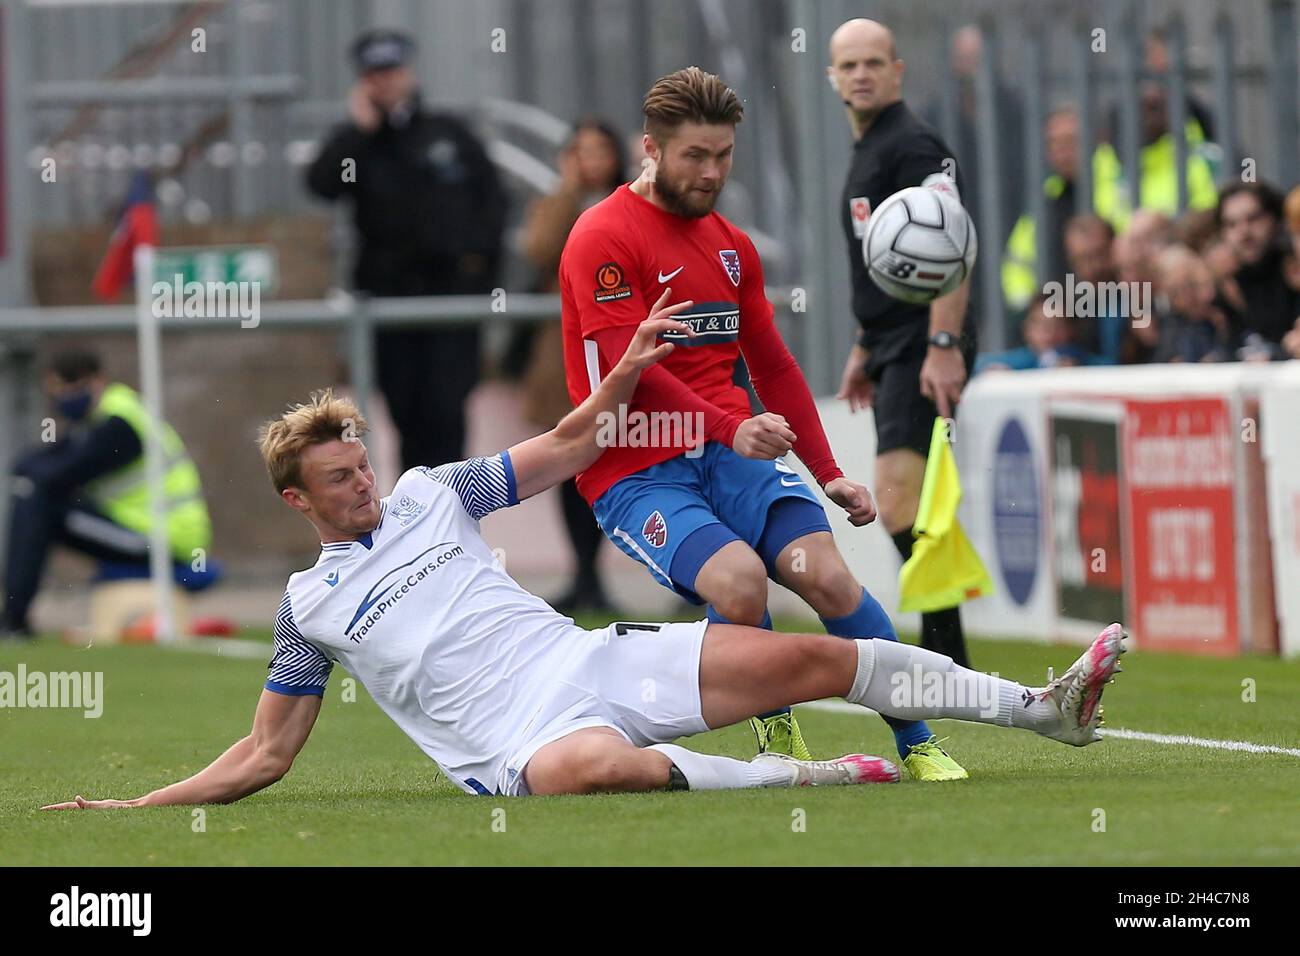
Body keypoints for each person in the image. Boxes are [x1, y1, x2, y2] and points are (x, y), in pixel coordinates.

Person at [39, 311, 1128, 807]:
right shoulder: (303, 609)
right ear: (297, 499)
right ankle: (814, 774)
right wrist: (142, 809)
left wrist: (621, 378)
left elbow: (560, 448)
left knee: (807, 655)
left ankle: (1046, 710)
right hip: (519, 745)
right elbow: (267, 752)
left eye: (361, 465)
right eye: (338, 480)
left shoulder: (429, 493)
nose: (364, 484)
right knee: (576, 773)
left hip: (592, 661)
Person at [557, 67, 967, 780]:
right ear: (651, 149)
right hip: (634, 462)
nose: (713, 172)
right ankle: (777, 731)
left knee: (830, 581)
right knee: (741, 584)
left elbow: (772, 369)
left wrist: (830, 471)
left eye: (723, 155)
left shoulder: (730, 246)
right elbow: (636, 372)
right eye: (695, 156)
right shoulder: (602, 237)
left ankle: (919, 741)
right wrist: (728, 427)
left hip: (730, 449)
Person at [828, 18, 976, 672]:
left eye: (873, 63)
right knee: (905, 502)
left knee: (897, 497)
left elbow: (951, 246)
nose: (861, 74)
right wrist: (866, 342)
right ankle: (949, 653)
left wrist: (943, 341)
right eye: (848, 65)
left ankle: (949, 657)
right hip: (893, 340)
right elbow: (889, 266)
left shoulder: (912, 146)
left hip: (923, 340)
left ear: (897, 70)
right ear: (831, 77)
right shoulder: (872, 149)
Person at [305, 29, 507, 472]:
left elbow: (493, 205)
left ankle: (452, 512)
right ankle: (414, 517)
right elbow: (322, 184)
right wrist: (360, 133)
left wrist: (480, 278)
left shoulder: (449, 135)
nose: (385, 82)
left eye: (392, 71)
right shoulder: (359, 145)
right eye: (374, 74)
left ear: (409, 72)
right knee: (403, 410)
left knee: (447, 409)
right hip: (389, 300)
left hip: (450, 300)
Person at [0, 350, 213, 639]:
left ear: (97, 381)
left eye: (70, 389)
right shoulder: (98, 420)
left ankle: (14, 619)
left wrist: (30, 481)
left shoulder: (120, 424)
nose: (64, 399)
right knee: (33, 496)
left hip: (165, 541)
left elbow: (58, 475)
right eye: (57, 392)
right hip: (138, 529)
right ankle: (15, 615)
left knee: (38, 503)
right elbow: (30, 463)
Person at [519, 119, 628, 614]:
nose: (591, 161)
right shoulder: (557, 205)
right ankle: (583, 573)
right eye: (580, 152)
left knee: (621, 460)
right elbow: (538, 248)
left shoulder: (633, 202)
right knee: (570, 463)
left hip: (621, 350)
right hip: (564, 353)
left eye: (599, 150)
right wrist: (566, 190)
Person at [1216, 181, 1300, 358]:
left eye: (1253, 219)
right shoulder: (1226, 288)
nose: (1243, 232)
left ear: (1275, 219)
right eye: (1231, 224)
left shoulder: (1294, 272)